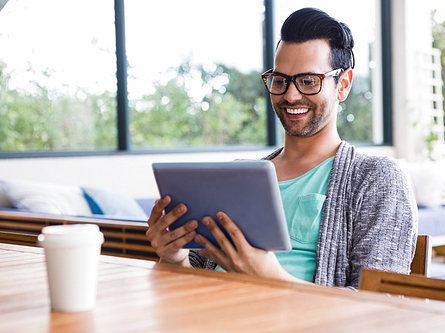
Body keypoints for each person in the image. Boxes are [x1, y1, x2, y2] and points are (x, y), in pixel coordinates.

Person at [146, 7, 418, 288]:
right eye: (281, 80)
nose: (290, 95)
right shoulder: (239, 175)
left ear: (343, 84)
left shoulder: (376, 178)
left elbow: (380, 303)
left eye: (309, 81)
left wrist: (269, 277)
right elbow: (197, 279)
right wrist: (175, 258)